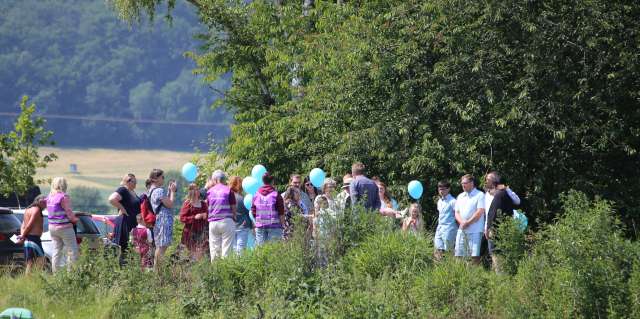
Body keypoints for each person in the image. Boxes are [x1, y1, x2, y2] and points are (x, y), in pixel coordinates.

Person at [484, 171, 515, 273]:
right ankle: (498, 277)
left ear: (493, 182)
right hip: (503, 228)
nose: (485, 182)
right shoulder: (503, 194)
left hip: (497, 230)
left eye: (487, 180)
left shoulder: (499, 195)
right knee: (497, 255)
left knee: (496, 254)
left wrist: (488, 228)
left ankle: (500, 279)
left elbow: (493, 214)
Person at [46, 177, 80, 272]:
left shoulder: (49, 197)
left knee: (56, 250)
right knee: (72, 250)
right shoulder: (63, 196)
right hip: (64, 227)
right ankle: (71, 274)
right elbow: (68, 211)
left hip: (52, 227)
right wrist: (74, 219)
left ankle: (55, 273)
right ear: (64, 185)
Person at [108, 173, 141, 265]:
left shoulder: (132, 192)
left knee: (130, 249)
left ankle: (128, 271)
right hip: (124, 222)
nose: (135, 183)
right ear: (127, 182)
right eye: (133, 181)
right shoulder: (123, 190)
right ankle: (122, 271)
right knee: (124, 249)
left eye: (135, 181)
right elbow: (111, 199)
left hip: (131, 223)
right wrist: (122, 208)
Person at [148, 169, 177, 270]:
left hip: (159, 220)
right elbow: (170, 204)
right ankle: (158, 271)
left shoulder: (152, 190)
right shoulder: (159, 191)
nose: (164, 179)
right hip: (163, 220)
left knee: (160, 246)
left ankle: (158, 270)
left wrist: (168, 191)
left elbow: (164, 203)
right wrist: (172, 192)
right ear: (155, 179)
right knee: (162, 247)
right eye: (162, 177)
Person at [454, 174, 485, 264]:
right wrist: (462, 222)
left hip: (475, 230)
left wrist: (468, 222)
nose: (463, 185)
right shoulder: (460, 196)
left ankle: (473, 276)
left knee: (474, 255)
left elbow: (480, 211)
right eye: (462, 183)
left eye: (465, 183)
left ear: (472, 183)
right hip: (462, 229)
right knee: (458, 254)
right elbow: (456, 212)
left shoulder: (480, 195)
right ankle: (459, 274)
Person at [206, 170, 237, 261]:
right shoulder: (228, 190)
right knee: (226, 250)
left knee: (214, 251)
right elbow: (233, 207)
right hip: (226, 221)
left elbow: (208, 206)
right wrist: (234, 217)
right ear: (223, 180)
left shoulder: (210, 191)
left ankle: (215, 274)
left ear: (215, 180)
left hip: (213, 223)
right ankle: (225, 273)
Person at [252, 172, 285, 245]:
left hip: (260, 226)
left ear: (263, 181)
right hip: (274, 226)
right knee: (273, 252)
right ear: (272, 181)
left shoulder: (256, 195)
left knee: (261, 251)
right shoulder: (276, 195)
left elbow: (253, 211)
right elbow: (281, 212)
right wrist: (283, 224)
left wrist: (258, 220)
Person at [17, 195, 47, 274]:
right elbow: (29, 225)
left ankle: (31, 280)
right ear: (39, 202)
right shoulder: (36, 210)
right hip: (34, 239)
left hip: (28, 239)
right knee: (41, 260)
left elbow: (23, 225)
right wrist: (23, 236)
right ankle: (33, 279)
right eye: (45, 203)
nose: (46, 205)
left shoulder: (27, 209)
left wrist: (22, 235)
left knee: (30, 262)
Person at [179, 183, 209, 261]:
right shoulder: (188, 204)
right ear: (191, 191)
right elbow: (182, 218)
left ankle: (197, 270)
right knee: (189, 253)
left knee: (200, 253)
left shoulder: (203, 204)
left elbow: (208, 216)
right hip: (190, 232)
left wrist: (205, 215)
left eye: (198, 189)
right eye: (195, 189)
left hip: (201, 231)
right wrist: (194, 217)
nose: (198, 191)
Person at [434, 181, 457, 259]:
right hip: (440, 228)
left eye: (443, 189)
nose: (441, 191)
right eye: (439, 189)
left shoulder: (453, 201)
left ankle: (451, 268)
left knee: (449, 251)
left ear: (448, 189)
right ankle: (438, 268)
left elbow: (457, 215)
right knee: (437, 249)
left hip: (449, 229)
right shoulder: (439, 201)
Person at [230, 176, 253, 254]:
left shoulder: (227, 198)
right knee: (241, 250)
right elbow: (248, 213)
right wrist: (252, 225)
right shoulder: (242, 198)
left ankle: (234, 266)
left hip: (231, 226)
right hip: (242, 225)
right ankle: (240, 266)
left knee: (233, 249)